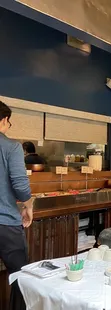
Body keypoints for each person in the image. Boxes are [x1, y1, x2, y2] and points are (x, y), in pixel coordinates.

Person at [0, 101, 34, 309]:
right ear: (3, 120)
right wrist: (28, 205)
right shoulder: (11, 147)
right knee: (21, 277)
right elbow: (21, 187)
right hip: (6, 226)